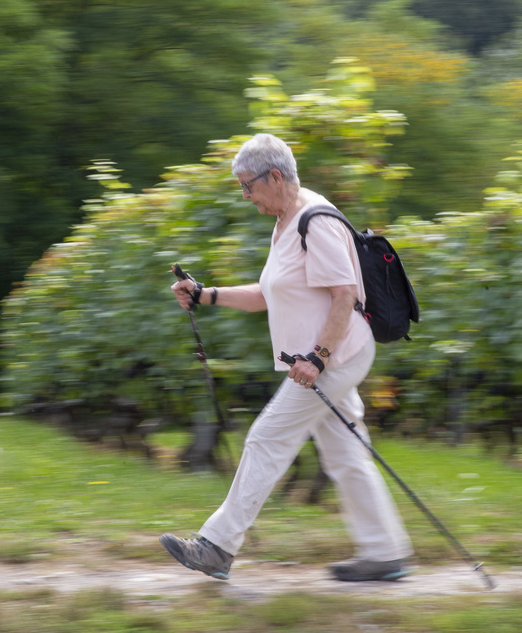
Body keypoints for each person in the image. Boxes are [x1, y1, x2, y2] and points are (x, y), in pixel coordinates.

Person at [160, 133, 414, 582]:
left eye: (247, 186)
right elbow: (268, 295)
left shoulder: (313, 221)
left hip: (335, 359)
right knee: (346, 454)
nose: (245, 196)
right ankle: (384, 553)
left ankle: (217, 546)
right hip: (330, 359)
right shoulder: (286, 220)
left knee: (265, 438)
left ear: (274, 177)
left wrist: (317, 357)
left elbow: (344, 296)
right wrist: (206, 294)